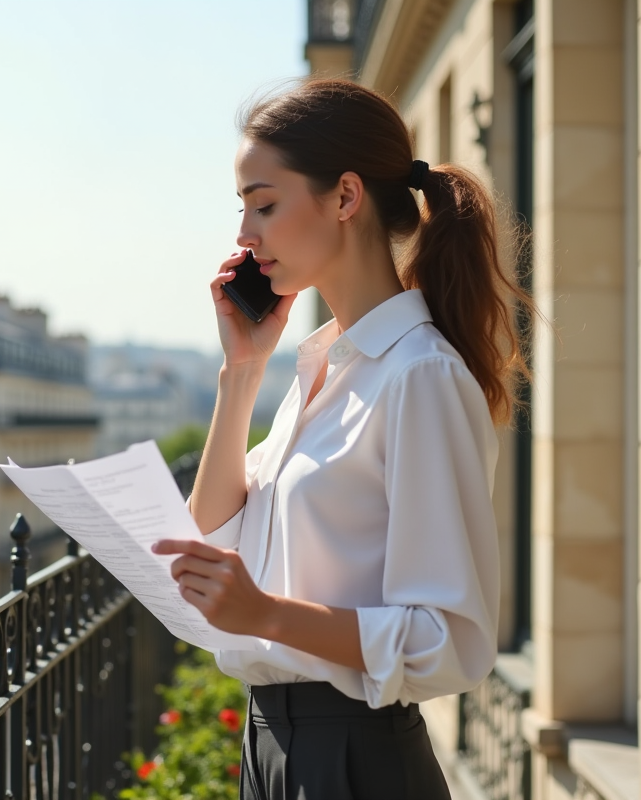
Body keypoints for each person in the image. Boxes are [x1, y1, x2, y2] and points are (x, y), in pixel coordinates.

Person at [151, 79, 531, 799]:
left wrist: (265, 614)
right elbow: (211, 532)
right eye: (244, 209)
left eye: (264, 204)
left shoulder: (418, 375)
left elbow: (451, 641)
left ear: (346, 197)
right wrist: (242, 372)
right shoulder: (323, 366)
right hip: (269, 749)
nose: (244, 235)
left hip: (353, 760)